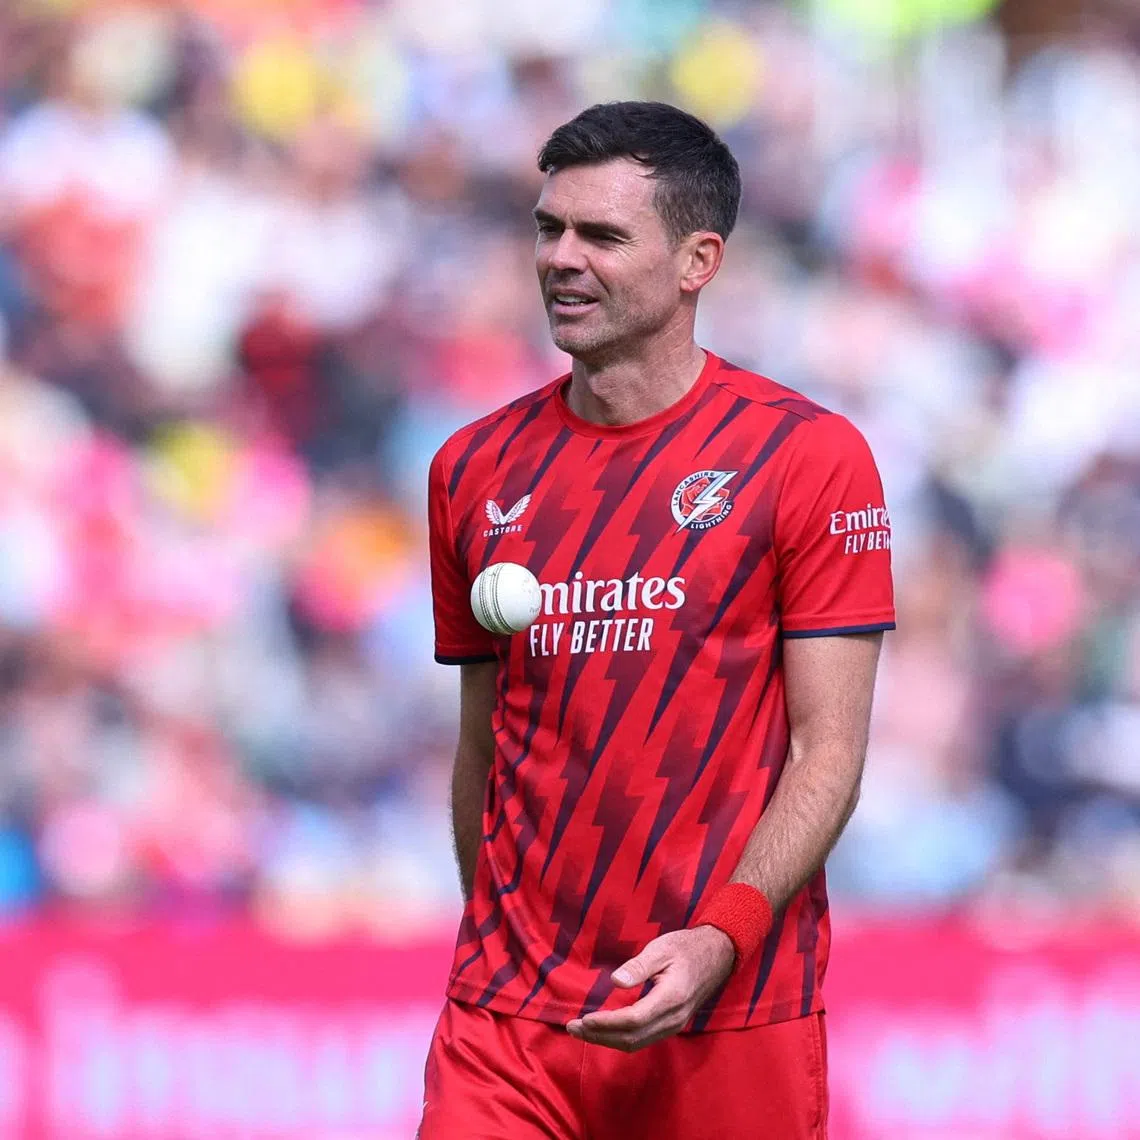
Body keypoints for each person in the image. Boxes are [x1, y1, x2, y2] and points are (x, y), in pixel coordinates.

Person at [419, 101, 894, 1140]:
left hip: (729, 1011)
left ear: (698, 261)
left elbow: (828, 751)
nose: (561, 259)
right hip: (509, 1024)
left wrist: (719, 940)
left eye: (602, 235)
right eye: (549, 229)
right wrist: (492, 939)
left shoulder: (807, 460)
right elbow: (483, 741)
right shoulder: (471, 469)